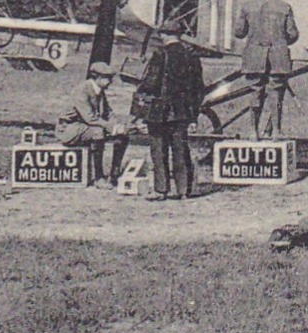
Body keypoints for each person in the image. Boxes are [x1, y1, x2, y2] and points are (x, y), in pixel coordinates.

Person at [138, 19, 205, 200]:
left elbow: (150, 83)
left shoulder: (160, 54)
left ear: (163, 35)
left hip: (159, 111)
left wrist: (139, 106)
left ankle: (161, 189)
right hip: (183, 110)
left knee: (158, 150)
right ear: (180, 34)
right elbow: (199, 88)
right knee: (181, 149)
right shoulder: (192, 55)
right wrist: (194, 114)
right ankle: (184, 190)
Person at [233, 0, 299, 138]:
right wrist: (280, 41)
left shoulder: (248, 6)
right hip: (278, 57)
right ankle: (276, 131)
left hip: (254, 57)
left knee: (255, 92)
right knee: (276, 94)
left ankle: (253, 132)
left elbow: (239, 32)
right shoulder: (284, 7)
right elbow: (293, 34)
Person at [55, 61, 130, 188]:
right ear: (97, 77)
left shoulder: (99, 91)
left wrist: (118, 126)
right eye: (107, 78)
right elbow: (90, 118)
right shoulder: (82, 90)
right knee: (97, 132)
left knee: (122, 136)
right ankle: (98, 177)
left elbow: (108, 113)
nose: (110, 81)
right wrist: (112, 128)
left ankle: (114, 175)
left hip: (85, 127)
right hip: (69, 128)